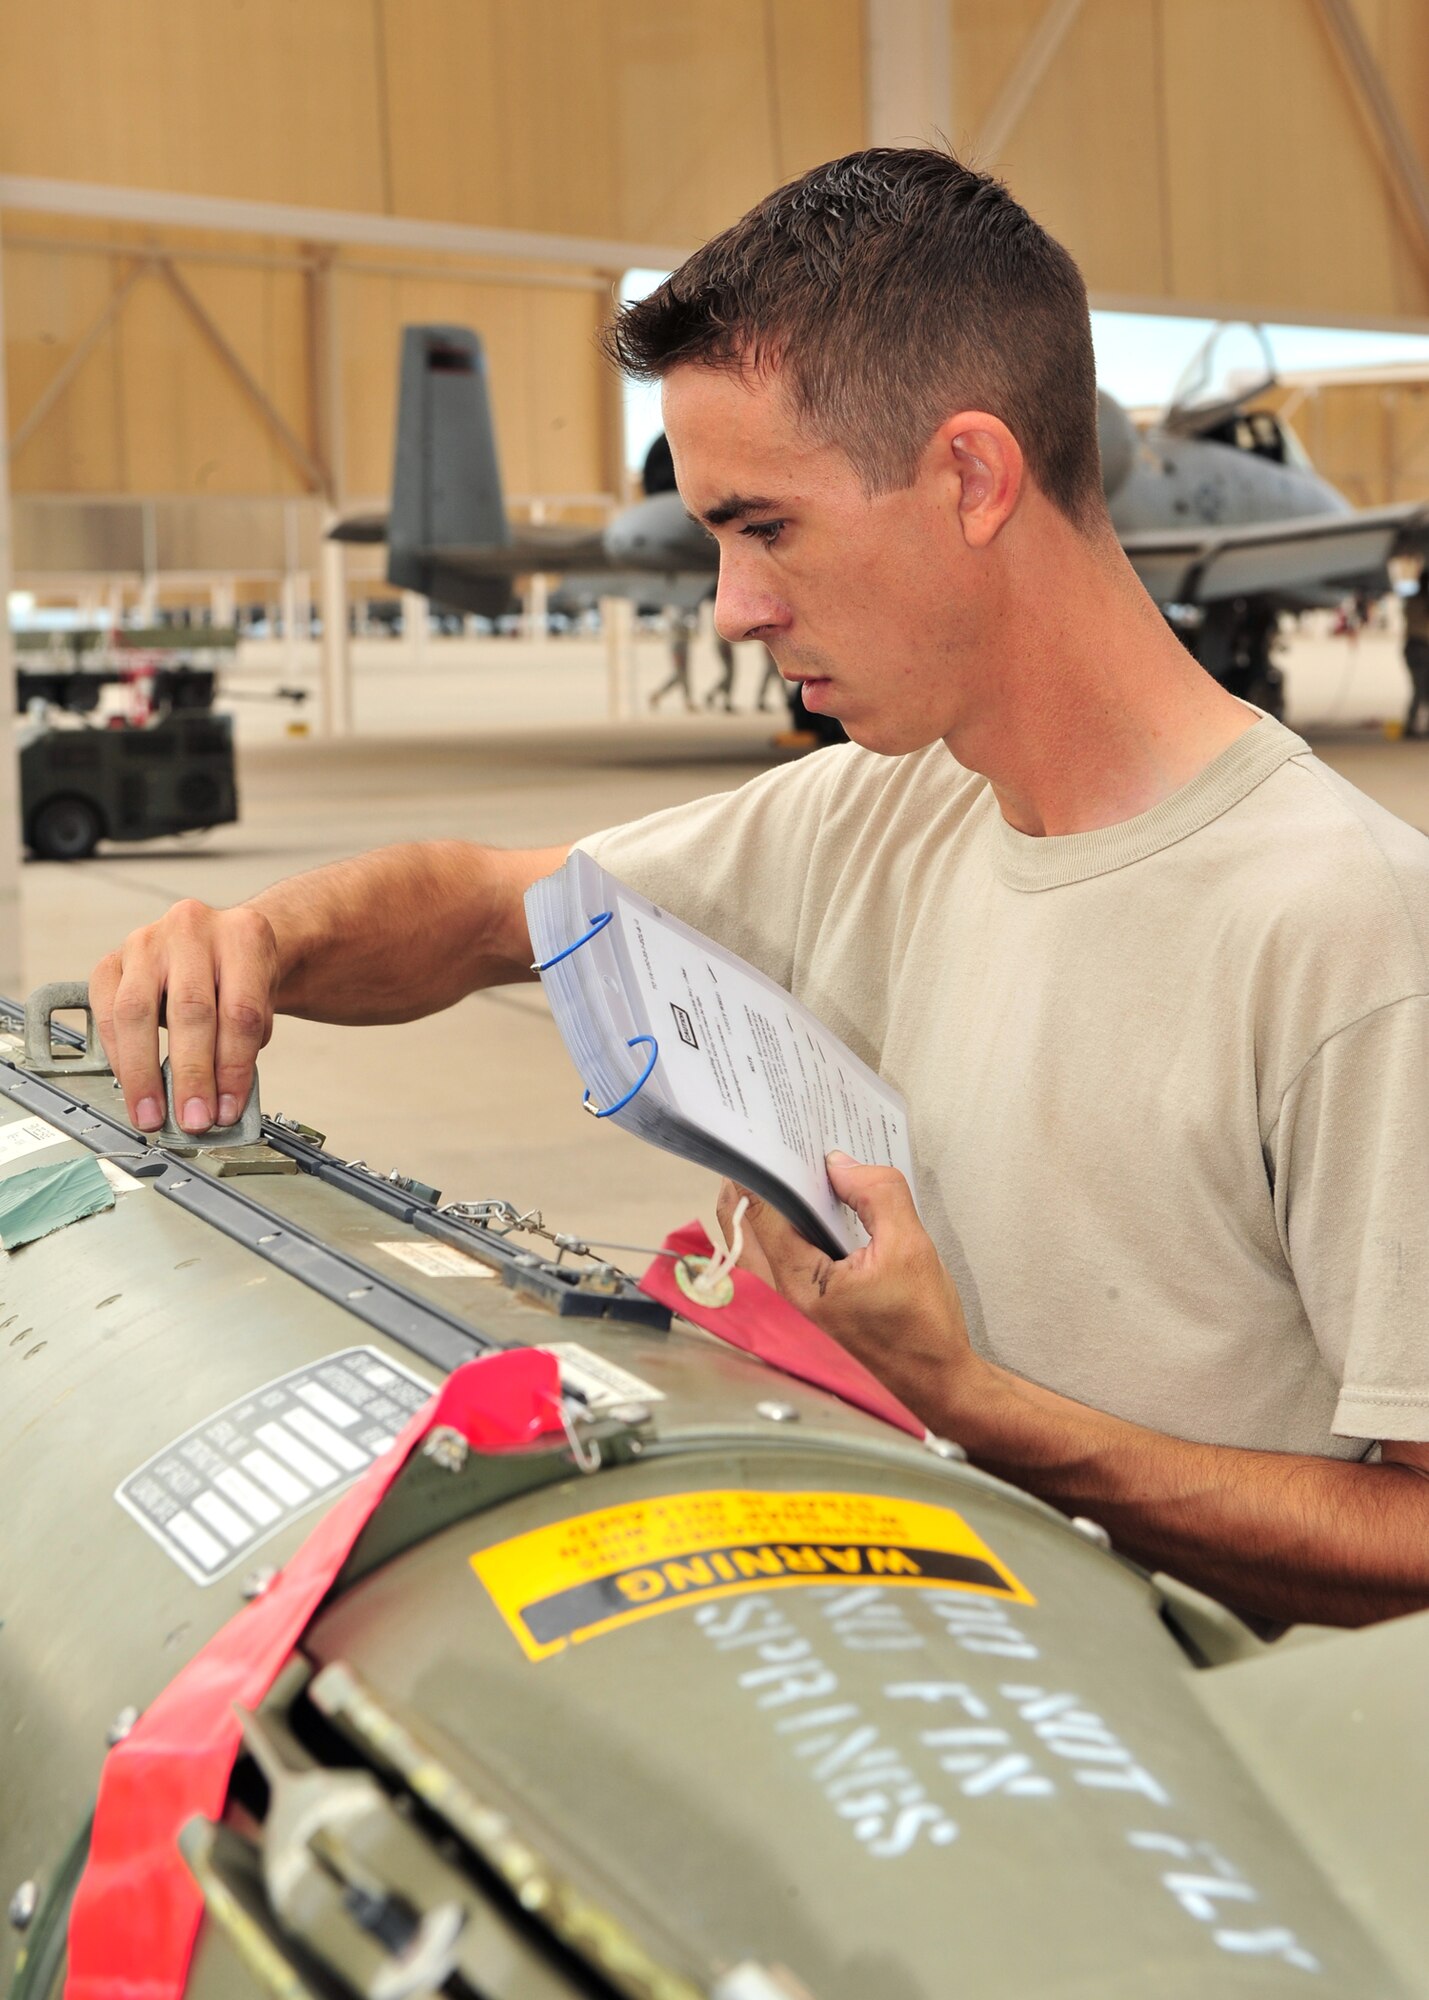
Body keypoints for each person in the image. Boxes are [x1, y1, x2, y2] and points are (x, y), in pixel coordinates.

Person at [91, 148, 1429, 1630]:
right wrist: (256, 940)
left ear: (972, 477)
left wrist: (974, 1406)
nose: (733, 608)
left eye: (766, 526)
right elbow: (478, 904)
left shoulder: (1347, 933)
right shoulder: (877, 806)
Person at [648, 606, 696, 711]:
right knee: (679, 675)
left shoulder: (680, 607)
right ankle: (657, 695)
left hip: (682, 644)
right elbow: (677, 625)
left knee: (683, 674)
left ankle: (688, 701)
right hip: (677, 645)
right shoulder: (674, 609)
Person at [1402, 573, 1429, 738]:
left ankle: (1414, 724)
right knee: (1421, 689)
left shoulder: (1412, 601)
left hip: (1413, 646)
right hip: (1421, 646)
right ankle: (1412, 726)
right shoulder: (1421, 602)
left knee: (1419, 689)